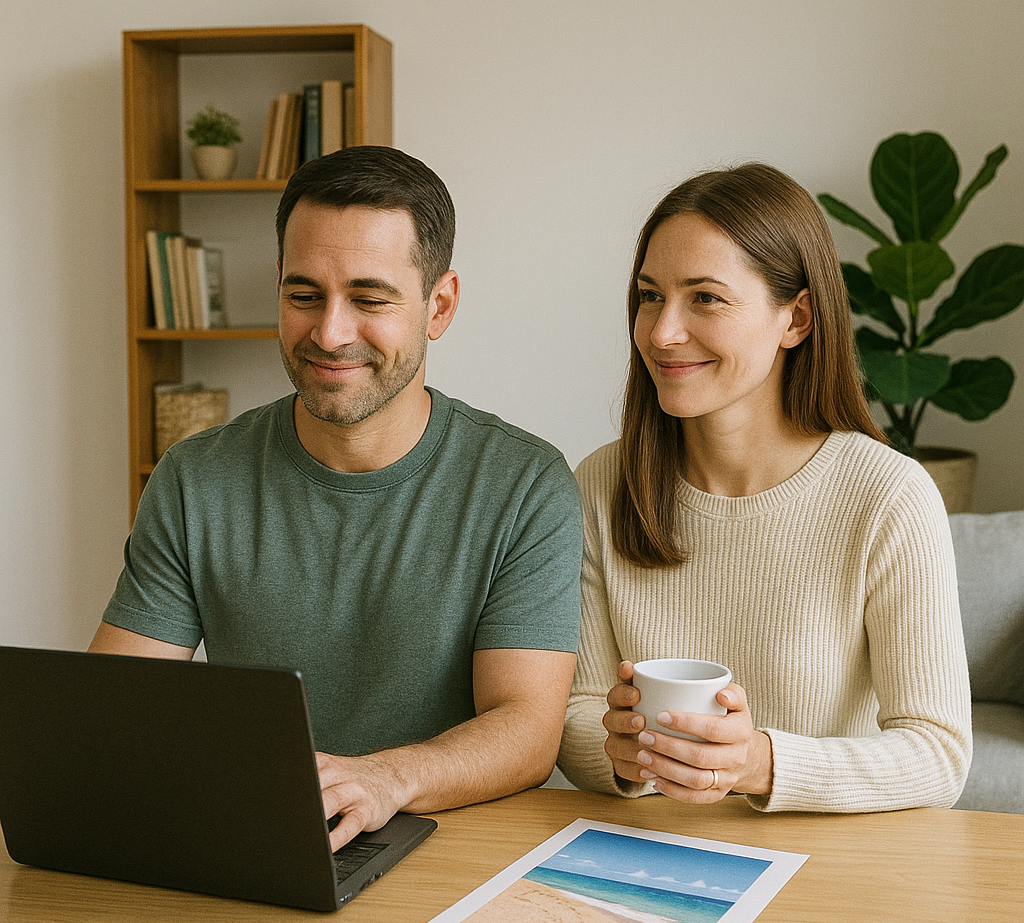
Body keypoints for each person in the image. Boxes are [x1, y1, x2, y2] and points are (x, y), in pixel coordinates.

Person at [90, 146, 583, 849]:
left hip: (447, 846)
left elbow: (527, 731)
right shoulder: (195, 477)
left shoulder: (525, 484)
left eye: (369, 298)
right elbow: (113, 708)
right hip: (265, 838)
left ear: (438, 306)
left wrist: (382, 780)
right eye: (303, 295)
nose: (329, 332)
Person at [556, 162, 971, 813]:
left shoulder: (888, 495)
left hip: (828, 875)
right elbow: (576, 713)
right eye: (650, 295)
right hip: (646, 856)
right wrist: (619, 748)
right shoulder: (603, 484)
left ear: (797, 319)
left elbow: (939, 755)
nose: (661, 333)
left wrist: (758, 764)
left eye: (706, 297)